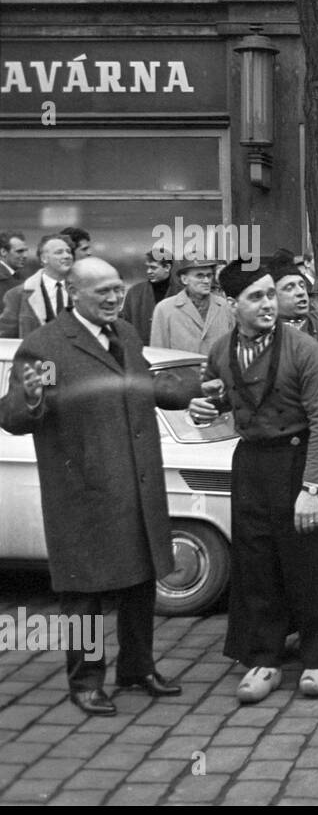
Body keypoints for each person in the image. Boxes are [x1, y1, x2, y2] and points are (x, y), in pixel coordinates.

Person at [1, 259, 190, 716]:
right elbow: (15, 418)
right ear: (72, 293)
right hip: (82, 495)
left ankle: (137, 667)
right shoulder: (46, 348)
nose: (112, 299)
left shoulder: (124, 334)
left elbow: (139, 384)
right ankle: (85, 681)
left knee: (141, 582)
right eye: (101, 291)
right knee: (84, 593)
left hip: (136, 485)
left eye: (117, 290)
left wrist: (190, 389)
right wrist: (31, 395)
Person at [187, 264, 318, 703]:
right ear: (232, 304)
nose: (267, 305)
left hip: (303, 461)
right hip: (253, 466)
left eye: (270, 295)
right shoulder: (221, 351)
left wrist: (311, 489)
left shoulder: (304, 349)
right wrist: (207, 410)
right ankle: (264, 658)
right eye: (255, 298)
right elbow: (223, 399)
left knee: (311, 562)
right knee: (257, 560)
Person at [149, 259, 235, 355]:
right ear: (184, 279)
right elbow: (158, 353)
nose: (206, 281)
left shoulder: (225, 306)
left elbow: (235, 347)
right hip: (181, 369)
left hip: (217, 369)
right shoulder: (164, 309)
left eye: (209, 275)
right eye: (200, 276)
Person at [0, 234, 75, 338]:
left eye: (68, 252)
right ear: (44, 258)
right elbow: (5, 340)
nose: (67, 256)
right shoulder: (18, 295)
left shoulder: (86, 292)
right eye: (59, 252)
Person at [119, 250, 175, 345]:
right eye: (148, 267)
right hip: (141, 351)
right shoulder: (134, 292)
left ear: (167, 267)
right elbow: (124, 323)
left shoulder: (182, 293)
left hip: (174, 353)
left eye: (153, 268)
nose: (148, 271)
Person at [0, 230, 29, 297]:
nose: (25, 255)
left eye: (26, 251)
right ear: (3, 252)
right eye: (19, 251)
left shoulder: (19, 276)